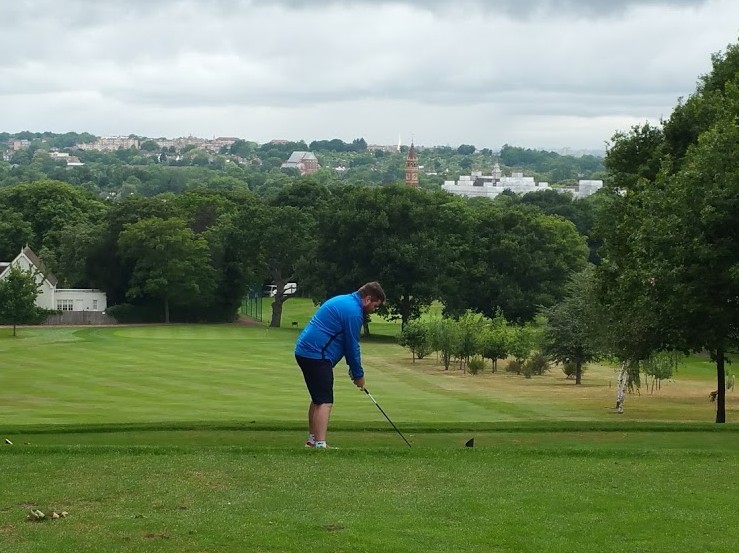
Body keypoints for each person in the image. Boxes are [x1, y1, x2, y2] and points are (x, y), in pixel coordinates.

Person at [294, 281, 386, 448]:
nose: (374, 310)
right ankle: (320, 444)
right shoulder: (353, 313)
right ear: (367, 299)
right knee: (324, 401)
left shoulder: (345, 301)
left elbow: (345, 343)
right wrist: (358, 375)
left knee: (317, 399)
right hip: (316, 355)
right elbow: (352, 346)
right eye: (375, 305)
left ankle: (312, 441)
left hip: (306, 352)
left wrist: (354, 370)